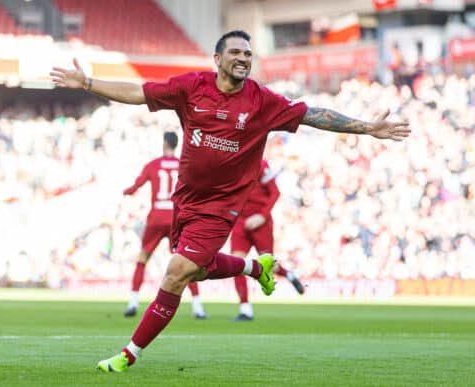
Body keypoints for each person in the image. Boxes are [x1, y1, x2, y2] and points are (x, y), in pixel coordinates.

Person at [50, 29, 410, 373]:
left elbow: (313, 114)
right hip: (185, 202)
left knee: (176, 273)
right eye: (236, 53)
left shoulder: (262, 101)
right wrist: (87, 84)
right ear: (218, 58)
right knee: (199, 269)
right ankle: (256, 268)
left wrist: (366, 127)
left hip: (221, 208)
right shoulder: (191, 87)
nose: (243, 58)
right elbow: (140, 92)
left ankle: (129, 354)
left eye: (248, 54)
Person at [122, 131, 207, 319]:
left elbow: (136, 187)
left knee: (143, 258)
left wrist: (126, 192)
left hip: (155, 218)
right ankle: (198, 307)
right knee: (187, 262)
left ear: (164, 143)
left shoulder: (153, 165)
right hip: (176, 217)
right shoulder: (183, 164)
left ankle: (133, 302)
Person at [230, 159, 304, 322]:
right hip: (240, 222)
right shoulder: (232, 163)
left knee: (270, 265)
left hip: (261, 223)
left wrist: (261, 216)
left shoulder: (261, 165)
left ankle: (288, 275)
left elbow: (275, 192)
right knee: (236, 263)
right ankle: (245, 309)